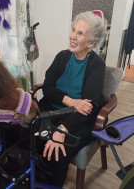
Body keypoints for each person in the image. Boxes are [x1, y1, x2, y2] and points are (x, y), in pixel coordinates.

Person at [37, 11, 106, 187]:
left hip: (77, 119)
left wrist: (62, 129)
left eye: (80, 33)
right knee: (30, 135)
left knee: (58, 151)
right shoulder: (62, 56)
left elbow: (87, 108)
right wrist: (70, 101)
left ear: (91, 43)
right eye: (73, 30)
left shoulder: (97, 65)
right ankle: (33, 178)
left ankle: (52, 184)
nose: (73, 36)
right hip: (51, 110)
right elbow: (47, 88)